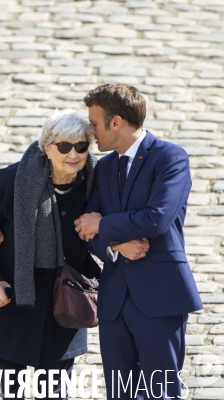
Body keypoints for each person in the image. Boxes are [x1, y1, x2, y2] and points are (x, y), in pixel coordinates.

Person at [74, 84, 202, 399]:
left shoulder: (170, 157)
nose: (90, 132)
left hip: (160, 295)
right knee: (120, 393)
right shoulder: (103, 167)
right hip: (114, 300)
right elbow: (85, 231)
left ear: (115, 123)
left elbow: (157, 218)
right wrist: (115, 246)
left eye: (94, 123)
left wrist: (104, 223)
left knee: (160, 392)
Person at [0, 109, 102, 399]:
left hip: (65, 303)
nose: (73, 154)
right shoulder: (12, 179)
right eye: (64, 146)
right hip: (13, 300)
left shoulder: (94, 182)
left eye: (81, 146)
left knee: (54, 393)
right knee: (8, 393)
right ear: (47, 147)